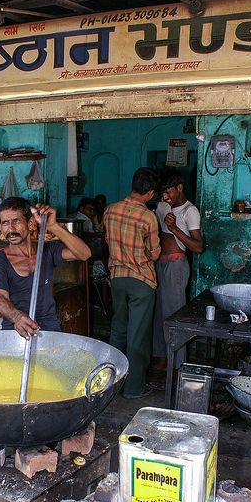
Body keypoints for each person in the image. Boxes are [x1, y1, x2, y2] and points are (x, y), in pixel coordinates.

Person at [0, 196, 91, 339]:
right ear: (0, 227)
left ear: (30, 224)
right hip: (16, 330)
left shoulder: (47, 250)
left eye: (16, 221)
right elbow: (0, 297)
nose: (10, 228)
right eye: (5, 223)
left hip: (49, 328)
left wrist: (53, 226)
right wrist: (16, 316)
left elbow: (85, 254)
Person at [103, 167, 161, 399]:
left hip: (117, 277)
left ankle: (111, 384)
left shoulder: (110, 210)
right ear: (150, 193)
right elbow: (155, 253)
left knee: (118, 329)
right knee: (137, 335)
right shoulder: (148, 216)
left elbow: (107, 241)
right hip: (141, 280)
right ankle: (134, 388)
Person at [152, 171, 203, 371]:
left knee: (174, 315)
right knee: (158, 314)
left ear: (179, 187)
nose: (165, 197)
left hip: (176, 266)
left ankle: (178, 363)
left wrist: (175, 229)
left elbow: (198, 247)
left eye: (168, 191)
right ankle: (161, 358)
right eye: (162, 192)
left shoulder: (190, 211)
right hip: (160, 264)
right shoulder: (162, 207)